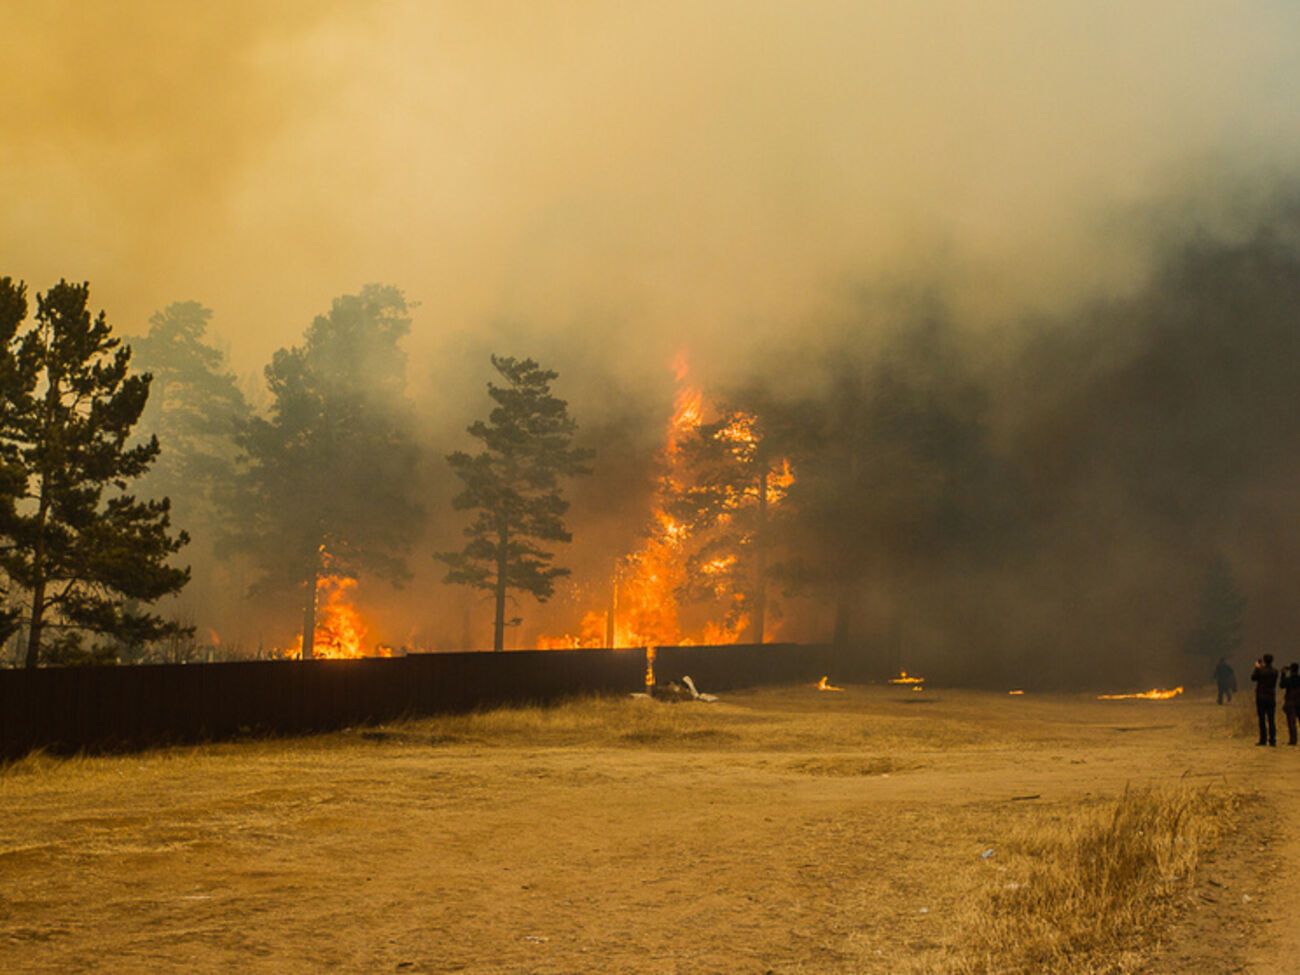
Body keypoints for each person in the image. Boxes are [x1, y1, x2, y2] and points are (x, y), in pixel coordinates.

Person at [1251, 654, 1279, 747]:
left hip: (1261, 696)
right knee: (1271, 719)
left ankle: (1263, 739)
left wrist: (1257, 668)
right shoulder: (1275, 671)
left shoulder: (1260, 671)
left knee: (1262, 719)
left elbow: (1253, 678)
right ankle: (1273, 739)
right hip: (1271, 696)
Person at [1282, 663, 1300, 747]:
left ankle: (1293, 740)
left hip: (1291, 702)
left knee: (1292, 722)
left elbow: (1281, 685)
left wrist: (1283, 674)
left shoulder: (1288, 680)